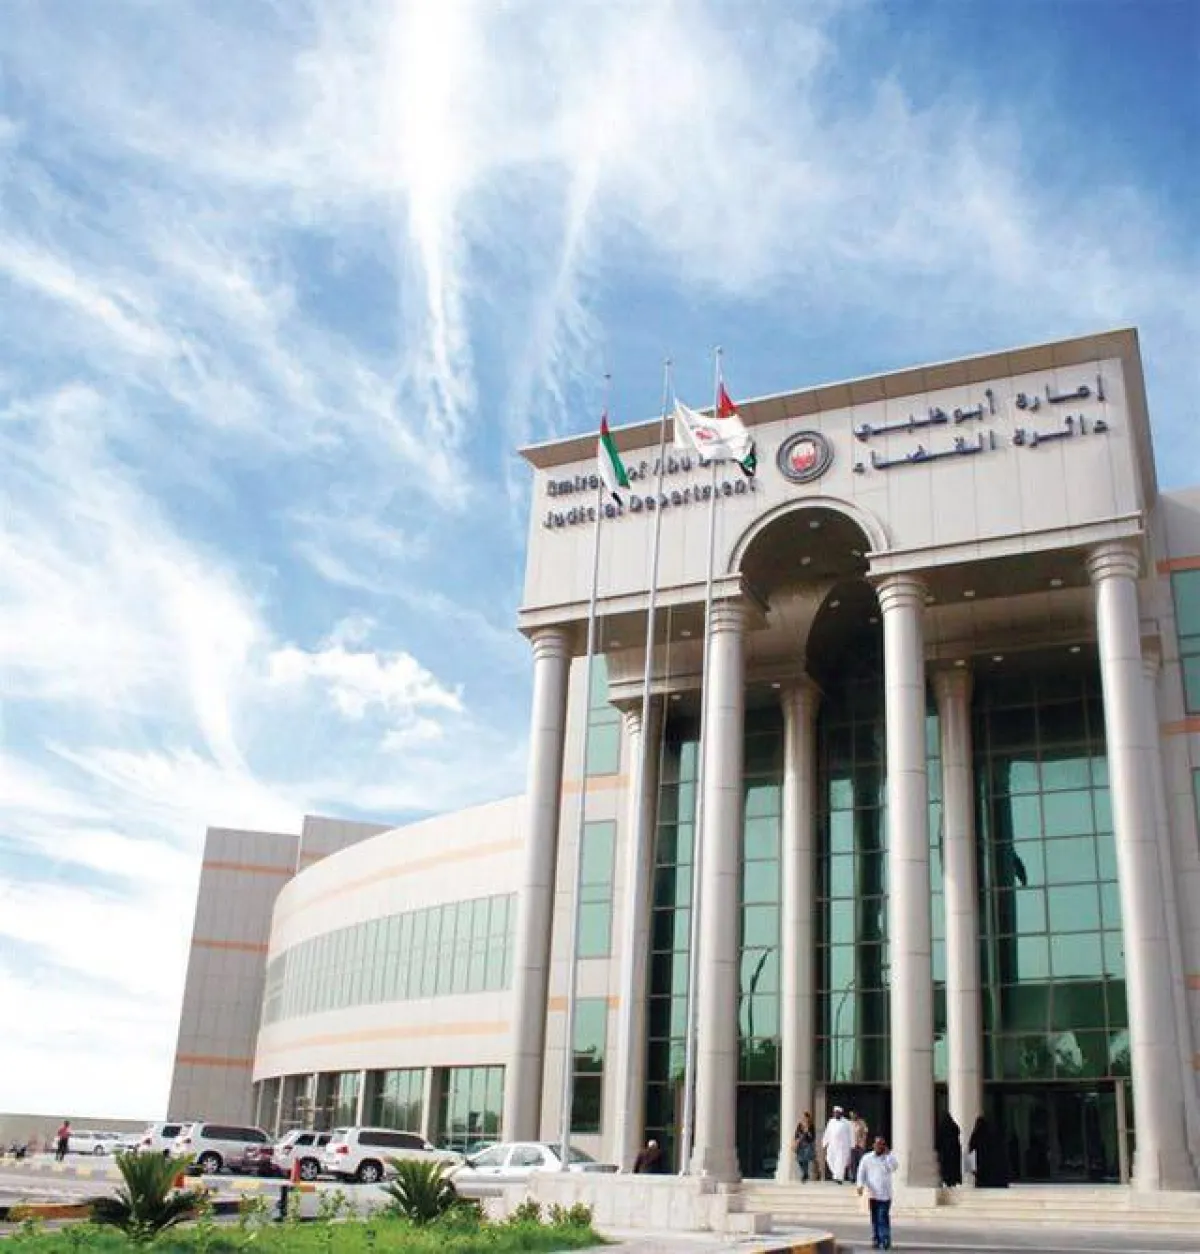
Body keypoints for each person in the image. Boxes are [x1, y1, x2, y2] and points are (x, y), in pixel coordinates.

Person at [857, 1135, 899, 1250]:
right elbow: (861, 1172)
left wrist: (888, 1155)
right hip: (873, 1193)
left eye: (882, 1144)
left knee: (882, 1217)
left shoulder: (888, 1158)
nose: (879, 1146)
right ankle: (876, 1238)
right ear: (873, 1145)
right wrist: (860, 1185)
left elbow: (894, 1167)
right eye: (878, 1144)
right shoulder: (867, 1158)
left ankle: (885, 1239)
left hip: (885, 1195)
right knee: (875, 1218)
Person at [968, 1115, 1009, 1188]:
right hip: (994, 1176)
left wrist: (973, 1170)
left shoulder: (975, 1137)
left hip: (982, 1175)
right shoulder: (992, 1138)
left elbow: (970, 1152)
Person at [822, 1105, 853, 1183]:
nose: (836, 1114)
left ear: (841, 1113)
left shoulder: (847, 1122)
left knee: (840, 1162)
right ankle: (836, 1174)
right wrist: (824, 1143)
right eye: (835, 1112)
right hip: (832, 1145)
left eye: (837, 1113)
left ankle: (839, 1178)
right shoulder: (831, 1121)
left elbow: (851, 1134)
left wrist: (852, 1145)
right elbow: (827, 1132)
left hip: (842, 1146)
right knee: (829, 1159)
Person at [936, 1110, 963, 1187]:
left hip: (946, 1154)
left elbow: (939, 1141)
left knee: (947, 1169)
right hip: (953, 1153)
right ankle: (952, 1181)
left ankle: (948, 1181)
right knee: (953, 1169)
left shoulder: (942, 1128)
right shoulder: (954, 1128)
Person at [792, 1111, 816, 1182]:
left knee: (805, 1160)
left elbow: (813, 1137)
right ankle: (805, 1173)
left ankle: (804, 1175)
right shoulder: (800, 1125)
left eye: (806, 1117)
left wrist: (808, 1132)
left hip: (807, 1144)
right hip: (800, 1144)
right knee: (799, 1160)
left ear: (808, 1118)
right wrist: (795, 1141)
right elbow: (796, 1134)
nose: (804, 1119)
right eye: (803, 1117)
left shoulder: (811, 1126)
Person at [850, 1110, 870, 1177]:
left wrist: (863, 1142)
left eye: (853, 1115)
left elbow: (865, 1132)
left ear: (856, 1115)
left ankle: (862, 1176)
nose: (852, 1116)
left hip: (860, 1145)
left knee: (861, 1161)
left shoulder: (862, 1122)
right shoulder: (849, 1123)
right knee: (853, 1161)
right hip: (852, 1145)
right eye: (851, 1115)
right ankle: (853, 1176)